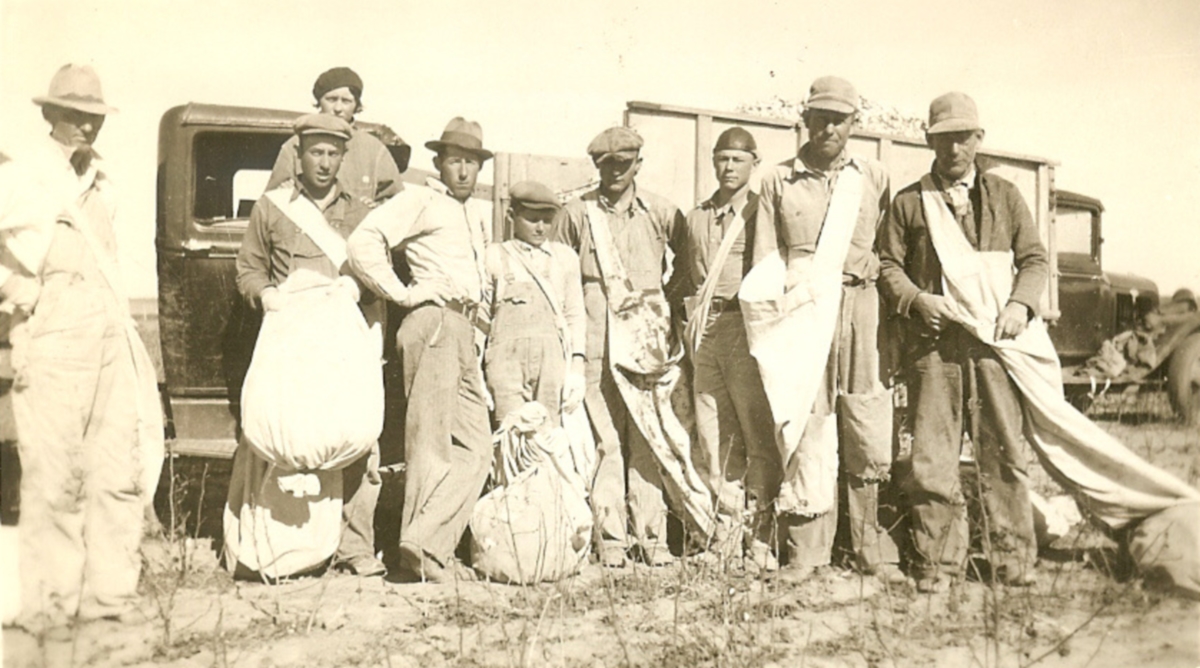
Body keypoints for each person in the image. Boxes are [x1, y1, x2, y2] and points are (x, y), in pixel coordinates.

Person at [1, 64, 163, 630]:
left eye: (94, 117)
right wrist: (17, 292)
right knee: (55, 472)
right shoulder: (24, 177)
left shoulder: (103, 181)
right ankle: (50, 604)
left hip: (109, 328)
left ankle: (110, 598)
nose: (87, 128)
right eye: (75, 116)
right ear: (50, 114)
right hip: (54, 330)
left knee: (115, 468)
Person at [878, 92, 1046, 592]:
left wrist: (1019, 305)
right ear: (928, 141)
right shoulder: (910, 202)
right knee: (932, 459)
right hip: (934, 351)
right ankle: (937, 562)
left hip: (994, 346)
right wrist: (916, 301)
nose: (954, 148)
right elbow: (887, 265)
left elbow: (1034, 259)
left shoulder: (1005, 196)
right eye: (943, 138)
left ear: (979, 139)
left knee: (1004, 452)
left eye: (963, 137)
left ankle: (1013, 559)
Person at [749, 76, 903, 584]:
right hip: (801, 312)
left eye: (839, 119)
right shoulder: (777, 181)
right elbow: (765, 261)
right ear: (806, 120)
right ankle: (807, 549)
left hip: (860, 305)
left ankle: (866, 544)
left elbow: (890, 251)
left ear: (854, 123)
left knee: (865, 418)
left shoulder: (873, 176)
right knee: (807, 421)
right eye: (820, 118)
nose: (829, 128)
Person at [226, 113, 385, 579]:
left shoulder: (359, 213)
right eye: (316, 152)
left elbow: (378, 268)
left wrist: (359, 287)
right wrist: (267, 296)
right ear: (299, 155)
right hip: (290, 338)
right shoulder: (272, 207)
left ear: (343, 157)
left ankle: (354, 546)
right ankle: (270, 545)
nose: (325, 162)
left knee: (353, 430)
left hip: (341, 336)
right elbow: (249, 268)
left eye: (333, 153)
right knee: (278, 433)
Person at [553, 127, 713, 568]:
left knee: (648, 436)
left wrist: (658, 309)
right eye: (606, 165)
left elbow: (687, 266)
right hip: (595, 333)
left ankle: (652, 536)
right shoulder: (577, 214)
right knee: (606, 438)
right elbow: (558, 270)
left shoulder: (661, 212)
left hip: (645, 338)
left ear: (638, 164)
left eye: (623, 164)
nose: (615, 173)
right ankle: (611, 538)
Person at [346, 117, 494, 583]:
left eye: (472, 162)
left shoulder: (472, 214)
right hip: (432, 323)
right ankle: (421, 556)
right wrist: (402, 293)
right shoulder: (421, 200)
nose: (464, 171)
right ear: (439, 163)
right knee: (430, 444)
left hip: (462, 329)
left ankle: (424, 539)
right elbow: (363, 241)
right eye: (455, 161)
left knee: (477, 448)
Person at [677, 127, 778, 570]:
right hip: (705, 328)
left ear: (754, 162)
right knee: (713, 434)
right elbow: (683, 275)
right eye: (722, 158)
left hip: (745, 326)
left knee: (756, 433)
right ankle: (726, 536)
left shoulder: (761, 212)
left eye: (738, 159)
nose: (729, 167)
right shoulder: (696, 217)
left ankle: (762, 537)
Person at [482, 181, 586, 424]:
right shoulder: (494, 255)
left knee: (549, 432)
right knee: (510, 430)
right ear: (511, 216)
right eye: (532, 219)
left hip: (552, 361)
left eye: (547, 220)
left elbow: (575, 315)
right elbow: (482, 317)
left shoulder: (565, 258)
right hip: (505, 361)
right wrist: (475, 371)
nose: (540, 228)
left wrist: (577, 368)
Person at [266, 67, 403, 207]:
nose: (338, 108)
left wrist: (376, 208)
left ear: (356, 105)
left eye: (346, 101)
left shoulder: (374, 149)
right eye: (331, 99)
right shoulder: (295, 145)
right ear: (319, 101)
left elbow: (398, 204)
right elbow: (272, 202)